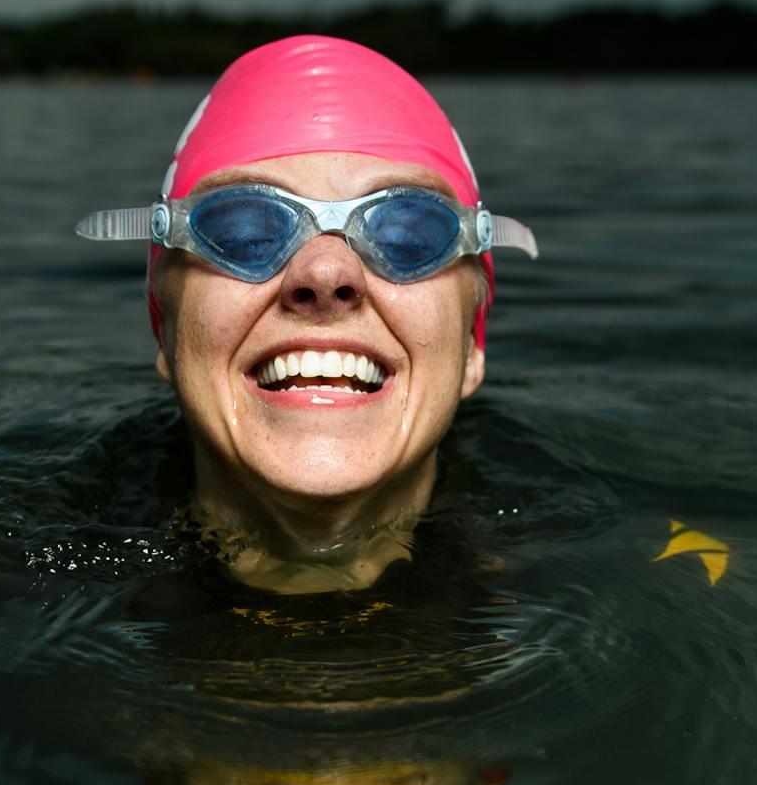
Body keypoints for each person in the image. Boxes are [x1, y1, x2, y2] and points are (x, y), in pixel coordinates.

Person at [78, 35, 538, 593]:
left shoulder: (643, 563)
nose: (325, 274)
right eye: (243, 230)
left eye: (407, 232)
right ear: (166, 332)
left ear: (471, 346)